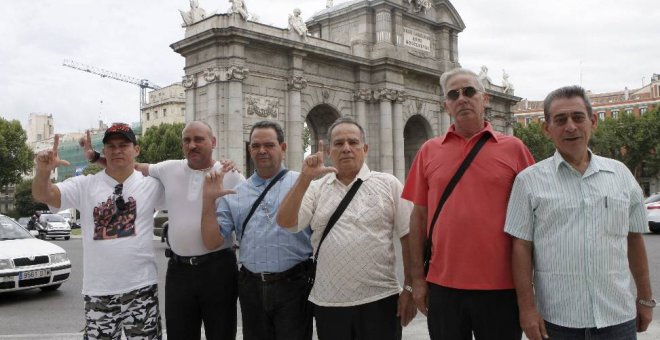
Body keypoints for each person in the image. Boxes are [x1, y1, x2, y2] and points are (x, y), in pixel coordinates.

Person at [504, 85, 654, 340]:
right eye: (560, 120)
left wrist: (645, 298)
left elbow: (634, 240)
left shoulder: (621, 175)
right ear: (547, 128)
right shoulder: (528, 181)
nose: (570, 126)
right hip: (558, 322)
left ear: (592, 121)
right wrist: (527, 309)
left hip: (617, 318)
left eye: (577, 117)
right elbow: (521, 247)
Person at [402, 68, 535, 339]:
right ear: (446, 106)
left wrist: (531, 294)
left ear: (484, 99)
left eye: (469, 91)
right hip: (442, 286)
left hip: (502, 287)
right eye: (454, 94)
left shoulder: (515, 148)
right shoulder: (428, 150)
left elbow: (535, 216)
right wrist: (417, 280)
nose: (462, 98)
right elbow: (418, 218)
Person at [84, 121, 245, 340]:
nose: (192, 145)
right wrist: (96, 158)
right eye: (187, 140)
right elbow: (130, 166)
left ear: (213, 142)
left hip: (218, 270)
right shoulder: (169, 168)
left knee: (221, 334)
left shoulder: (231, 175)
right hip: (179, 272)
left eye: (199, 139)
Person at [277, 116, 416, 340]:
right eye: (339, 144)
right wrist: (304, 179)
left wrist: (410, 288)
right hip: (329, 303)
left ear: (365, 148)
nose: (346, 149)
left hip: (381, 300)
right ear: (329, 151)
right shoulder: (316, 188)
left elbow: (409, 237)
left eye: (353, 142)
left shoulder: (389, 184)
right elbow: (286, 222)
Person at [33, 123, 165, 339]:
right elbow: (44, 194)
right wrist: (43, 172)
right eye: (111, 146)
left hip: (141, 289)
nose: (117, 150)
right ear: (104, 151)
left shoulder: (152, 185)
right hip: (99, 292)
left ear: (136, 150)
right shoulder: (85, 185)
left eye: (124, 145)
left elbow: (185, 180)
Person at [201, 120, 314, 340]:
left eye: (269, 145)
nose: (262, 150)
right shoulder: (235, 192)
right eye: (255, 145)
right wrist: (208, 200)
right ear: (249, 149)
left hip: (295, 286)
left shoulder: (304, 184)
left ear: (283, 147)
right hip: (251, 288)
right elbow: (212, 241)